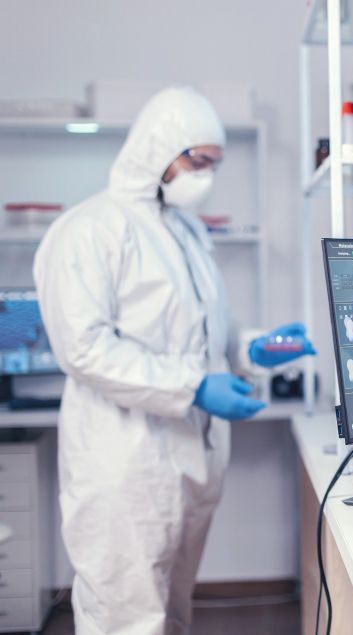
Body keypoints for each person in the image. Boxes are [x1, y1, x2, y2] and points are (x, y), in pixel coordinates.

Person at [33, 87, 315, 635]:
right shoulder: (89, 230)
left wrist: (252, 349)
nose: (206, 177)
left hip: (193, 457)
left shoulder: (185, 231)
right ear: (158, 150)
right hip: (125, 460)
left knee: (173, 610)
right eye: (198, 161)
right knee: (125, 617)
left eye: (215, 164)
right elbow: (84, 350)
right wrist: (194, 387)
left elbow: (211, 329)